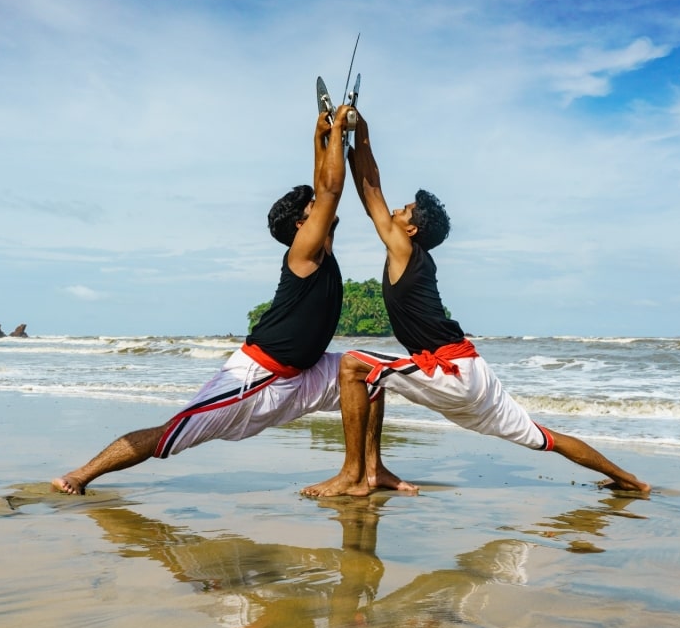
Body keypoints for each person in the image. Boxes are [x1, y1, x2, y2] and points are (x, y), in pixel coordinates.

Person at [53, 106, 412, 495]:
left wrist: (321, 138)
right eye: (312, 213)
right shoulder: (303, 253)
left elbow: (321, 190)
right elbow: (328, 190)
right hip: (257, 377)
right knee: (170, 435)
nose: (323, 213)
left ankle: (370, 472)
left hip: (303, 375)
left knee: (370, 375)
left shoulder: (318, 245)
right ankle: (80, 475)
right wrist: (339, 129)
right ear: (299, 227)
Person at [301, 112, 650, 498]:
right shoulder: (414, 256)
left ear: (411, 230)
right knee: (545, 437)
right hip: (475, 375)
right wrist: (351, 139)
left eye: (403, 211)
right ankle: (631, 481)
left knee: (353, 366)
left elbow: (371, 193)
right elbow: (373, 191)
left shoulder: (404, 250)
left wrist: (358, 133)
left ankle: (352, 475)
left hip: (450, 371)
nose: (395, 212)